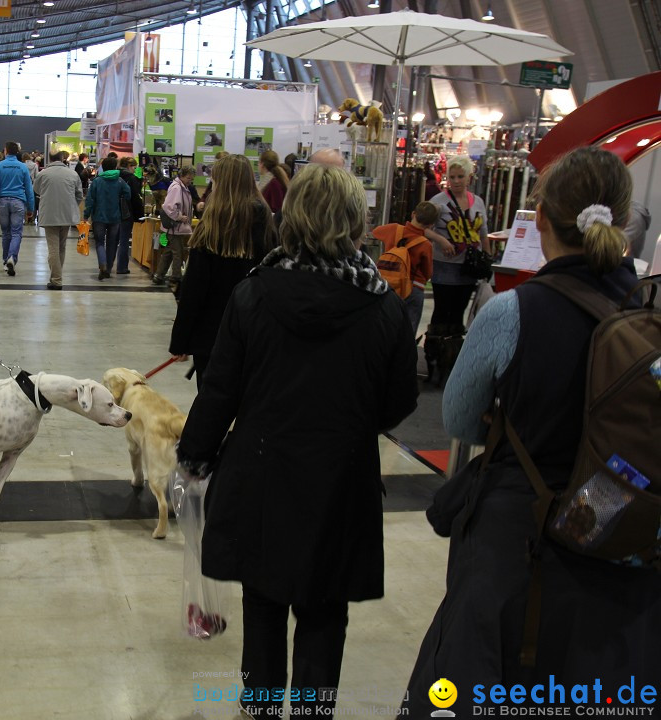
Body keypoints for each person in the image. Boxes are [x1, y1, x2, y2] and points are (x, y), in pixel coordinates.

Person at [403, 146, 660, 711]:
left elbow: (460, 420)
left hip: (523, 539)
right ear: (623, 221)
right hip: (627, 535)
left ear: (538, 217)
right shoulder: (648, 310)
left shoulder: (511, 310)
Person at [175, 163, 418, 719]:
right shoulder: (383, 306)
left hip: (261, 472)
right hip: (342, 479)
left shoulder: (254, 294)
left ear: (292, 217)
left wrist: (194, 455)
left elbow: (221, 392)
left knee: (263, 601)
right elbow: (399, 401)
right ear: (356, 222)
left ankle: (260, 708)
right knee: (326, 608)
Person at [168, 154, 277, 387]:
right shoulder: (266, 222)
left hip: (212, 334)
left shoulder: (212, 226)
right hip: (254, 330)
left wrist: (181, 340)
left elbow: (193, 291)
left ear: (221, 182)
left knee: (211, 405)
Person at [423, 155, 491, 386]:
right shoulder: (438, 201)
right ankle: (435, 360)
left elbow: (483, 234)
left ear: (469, 177)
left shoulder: (478, 202)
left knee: (459, 314)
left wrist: (487, 259)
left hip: (468, 268)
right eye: (452, 177)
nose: (456, 181)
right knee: (442, 312)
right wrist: (441, 241)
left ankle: (452, 360)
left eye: (460, 176)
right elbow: (421, 228)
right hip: (444, 266)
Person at [371, 200, 438, 335]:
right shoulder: (426, 244)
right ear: (431, 225)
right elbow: (428, 272)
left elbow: (375, 232)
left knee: (385, 326)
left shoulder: (394, 229)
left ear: (413, 214)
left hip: (388, 285)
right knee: (407, 330)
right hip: (413, 288)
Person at [33, 150, 83, 290]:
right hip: (66, 216)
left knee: (53, 248)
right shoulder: (73, 174)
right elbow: (79, 194)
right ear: (62, 158)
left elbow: (36, 190)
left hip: (49, 215)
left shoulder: (43, 174)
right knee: (62, 247)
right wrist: (72, 206)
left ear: (49, 159)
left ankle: (56, 279)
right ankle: (57, 276)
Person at [0, 141, 35, 276]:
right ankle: (12, 257)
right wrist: (31, 208)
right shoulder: (23, 167)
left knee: (6, 233)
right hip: (18, 202)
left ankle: (5, 260)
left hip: (2, 202)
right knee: (16, 232)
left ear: (6, 151)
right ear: (17, 152)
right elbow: (29, 189)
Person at [83, 156, 131, 281]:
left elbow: (90, 200)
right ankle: (108, 269)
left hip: (99, 216)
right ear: (115, 167)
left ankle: (102, 264)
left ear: (103, 167)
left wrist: (86, 215)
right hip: (115, 217)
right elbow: (128, 193)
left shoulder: (97, 181)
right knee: (112, 243)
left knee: (99, 242)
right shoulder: (120, 181)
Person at [152, 165, 195, 290]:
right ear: (181, 176)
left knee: (169, 252)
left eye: (191, 179)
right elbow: (169, 207)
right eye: (188, 178)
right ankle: (175, 278)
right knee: (178, 253)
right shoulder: (177, 188)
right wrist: (179, 217)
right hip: (175, 227)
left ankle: (159, 276)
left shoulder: (182, 187)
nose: (190, 181)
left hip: (176, 227)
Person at [117, 156, 145, 275]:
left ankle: (107, 266)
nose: (135, 169)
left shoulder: (114, 176)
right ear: (129, 166)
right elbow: (136, 198)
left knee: (112, 241)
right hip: (127, 213)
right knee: (124, 240)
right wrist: (140, 215)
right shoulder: (131, 178)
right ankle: (122, 267)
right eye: (134, 167)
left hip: (112, 212)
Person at [259, 150, 290, 215]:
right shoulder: (269, 180)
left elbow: (277, 209)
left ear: (262, 164)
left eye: (259, 162)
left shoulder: (274, 183)